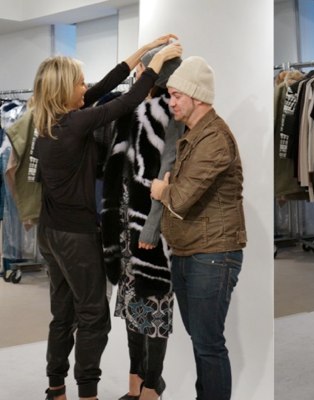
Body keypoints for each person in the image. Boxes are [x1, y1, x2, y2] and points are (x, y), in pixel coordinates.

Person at [31, 35, 182, 400]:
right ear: (65, 91)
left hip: (49, 233)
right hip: (75, 237)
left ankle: (55, 388)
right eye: (80, 83)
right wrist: (156, 63)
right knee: (93, 317)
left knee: (62, 313)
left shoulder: (50, 122)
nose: (87, 88)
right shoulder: (76, 124)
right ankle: (88, 394)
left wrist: (145, 49)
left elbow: (106, 85)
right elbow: (128, 100)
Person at [150, 56, 247, 400]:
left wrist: (161, 190)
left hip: (213, 255)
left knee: (208, 344)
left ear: (197, 97)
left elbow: (180, 198)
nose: (171, 102)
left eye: (177, 96)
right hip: (190, 252)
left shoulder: (215, 139)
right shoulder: (195, 135)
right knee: (202, 341)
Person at [100, 45, 184, 400]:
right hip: (124, 225)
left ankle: (152, 385)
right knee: (133, 308)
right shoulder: (129, 111)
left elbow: (168, 174)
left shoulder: (171, 114)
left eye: (143, 71)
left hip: (151, 225)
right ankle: (135, 383)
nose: (137, 76)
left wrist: (151, 226)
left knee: (155, 308)